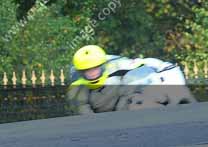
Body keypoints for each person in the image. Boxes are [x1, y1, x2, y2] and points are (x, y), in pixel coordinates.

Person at [67, 44, 195, 114]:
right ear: (80, 71)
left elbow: (166, 67)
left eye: (95, 68)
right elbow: (87, 121)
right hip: (113, 121)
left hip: (131, 102)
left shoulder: (118, 64)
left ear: (103, 65)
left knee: (178, 93)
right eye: (87, 70)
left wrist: (174, 88)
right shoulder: (76, 90)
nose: (92, 73)